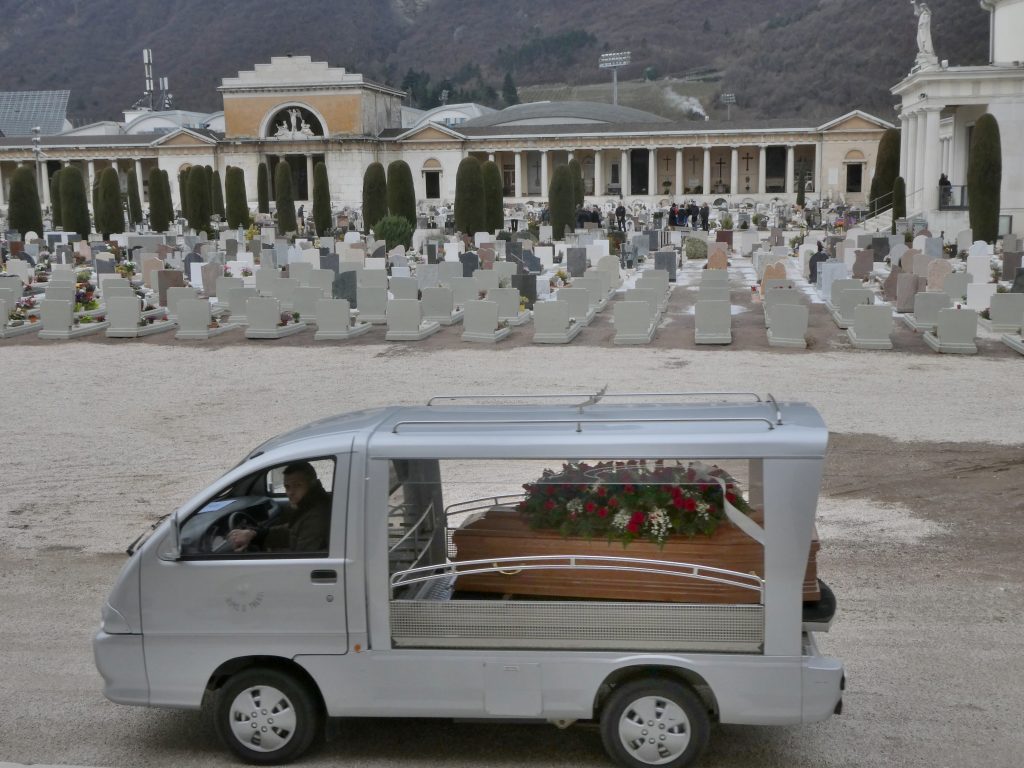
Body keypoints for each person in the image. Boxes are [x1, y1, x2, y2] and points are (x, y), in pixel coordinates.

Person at [227, 462, 331, 553]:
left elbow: (301, 561)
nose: (290, 493)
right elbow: (292, 532)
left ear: (312, 484)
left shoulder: (316, 516)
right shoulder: (311, 506)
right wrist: (254, 534)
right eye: (287, 487)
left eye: (297, 485)